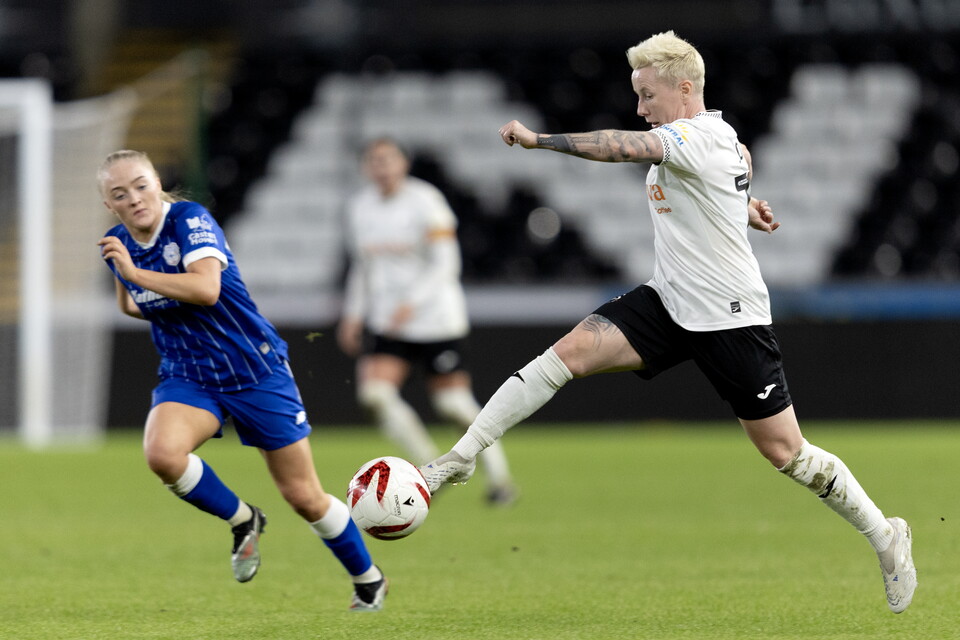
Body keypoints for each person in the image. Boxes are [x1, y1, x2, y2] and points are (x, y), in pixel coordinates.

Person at [421, 31, 917, 614]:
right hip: (668, 300)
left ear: (684, 90)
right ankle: (457, 460)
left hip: (730, 317)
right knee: (568, 354)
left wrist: (540, 141)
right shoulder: (719, 139)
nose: (639, 108)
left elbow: (622, 146)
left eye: (646, 94)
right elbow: (727, 178)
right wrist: (745, 208)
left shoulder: (693, 136)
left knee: (787, 453)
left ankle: (886, 537)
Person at [97, 149, 388, 612]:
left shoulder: (190, 220)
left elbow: (207, 289)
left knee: (304, 496)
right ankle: (243, 519)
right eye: (119, 194)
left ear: (157, 183)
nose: (133, 198)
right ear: (110, 206)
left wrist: (135, 274)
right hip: (188, 373)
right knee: (162, 454)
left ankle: (368, 579)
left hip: (255, 369)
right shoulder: (118, 243)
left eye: (140, 184)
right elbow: (131, 302)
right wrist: (130, 278)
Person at [337, 137, 517, 505]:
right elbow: (362, 267)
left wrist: (412, 302)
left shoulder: (426, 202)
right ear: (366, 168)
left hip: (436, 319)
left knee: (453, 404)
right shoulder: (359, 208)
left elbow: (447, 265)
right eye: (374, 161)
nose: (382, 167)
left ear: (403, 163)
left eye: (388, 159)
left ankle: (500, 479)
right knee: (374, 395)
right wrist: (353, 314)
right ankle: (425, 469)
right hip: (389, 321)